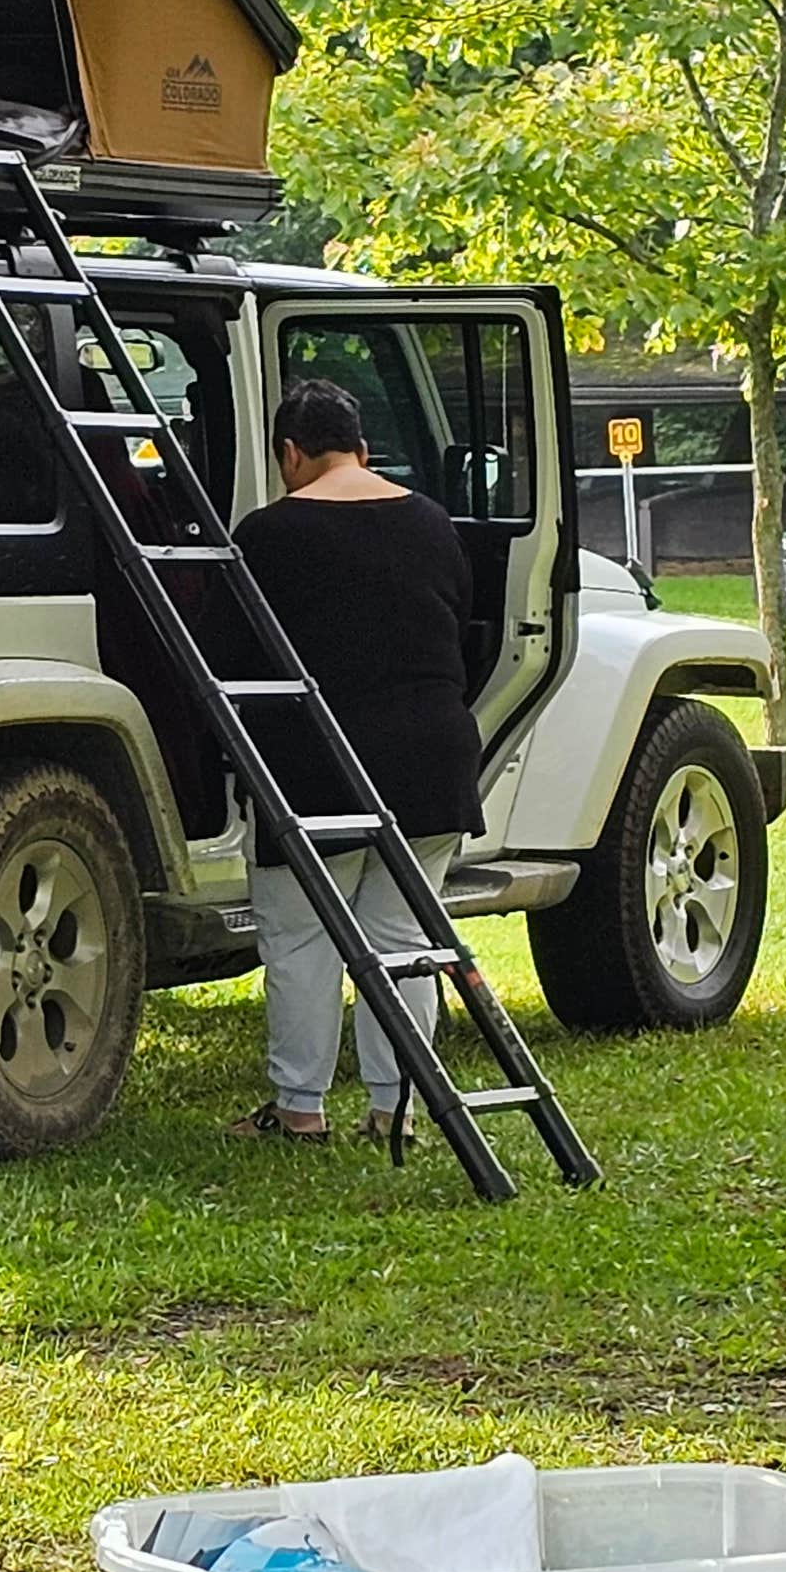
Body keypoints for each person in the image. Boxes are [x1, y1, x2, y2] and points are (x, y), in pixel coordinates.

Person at [225, 379, 484, 1147]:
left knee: (301, 939)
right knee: (403, 940)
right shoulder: (434, 523)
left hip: (318, 765)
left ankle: (300, 1108)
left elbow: (232, 656)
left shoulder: (269, 535)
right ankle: (398, 1108)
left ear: (290, 453)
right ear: (364, 450)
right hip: (435, 759)